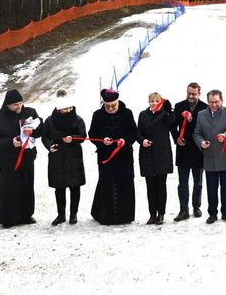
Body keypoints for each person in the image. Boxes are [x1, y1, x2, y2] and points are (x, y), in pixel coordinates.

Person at [0, 89, 43, 227]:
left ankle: (27, 215)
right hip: (8, 162)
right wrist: (10, 142)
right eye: (15, 105)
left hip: (28, 158)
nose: (19, 107)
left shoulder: (30, 113)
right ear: (7, 104)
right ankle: (8, 219)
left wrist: (34, 130)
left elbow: (41, 129)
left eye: (21, 103)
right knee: (9, 190)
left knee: (27, 187)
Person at [89, 88, 137, 225]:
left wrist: (125, 141)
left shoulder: (127, 113)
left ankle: (125, 216)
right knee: (106, 183)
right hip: (105, 156)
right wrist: (102, 140)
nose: (110, 108)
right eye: (107, 106)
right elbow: (92, 134)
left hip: (124, 156)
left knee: (125, 183)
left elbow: (133, 132)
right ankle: (106, 216)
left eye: (113, 106)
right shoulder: (97, 115)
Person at [42, 89, 87, 226]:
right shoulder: (50, 121)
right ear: (58, 108)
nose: (67, 110)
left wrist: (73, 139)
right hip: (57, 157)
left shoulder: (78, 119)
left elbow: (83, 135)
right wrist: (50, 146)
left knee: (75, 186)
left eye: (69, 108)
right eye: (64, 108)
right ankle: (61, 214)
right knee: (59, 187)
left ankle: (73, 214)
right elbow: (45, 136)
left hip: (73, 157)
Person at [193, 90, 226, 224]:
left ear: (221, 100)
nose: (214, 105)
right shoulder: (201, 115)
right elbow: (197, 133)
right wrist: (201, 143)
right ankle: (212, 213)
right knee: (211, 189)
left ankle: (225, 212)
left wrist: (225, 136)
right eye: (211, 102)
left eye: (216, 102)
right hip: (209, 157)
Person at [171, 82, 208, 221]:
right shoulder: (179, 106)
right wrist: (176, 139)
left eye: (194, 93)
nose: (191, 96)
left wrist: (192, 120)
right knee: (183, 182)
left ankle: (196, 206)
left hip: (199, 149)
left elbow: (205, 128)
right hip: (183, 148)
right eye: (189, 93)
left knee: (198, 182)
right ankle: (183, 210)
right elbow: (172, 126)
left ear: (199, 93)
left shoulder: (205, 108)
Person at [137, 92, 175, 225]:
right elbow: (138, 133)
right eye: (152, 101)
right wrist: (143, 141)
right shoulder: (143, 114)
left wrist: (169, 111)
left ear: (160, 102)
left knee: (160, 185)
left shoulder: (165, 114)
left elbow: (172, 122)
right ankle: (152, 214)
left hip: (162, 154)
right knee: (150, 187)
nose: (154, 104)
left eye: (156, 101)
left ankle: (161, 214)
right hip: (147, 154)